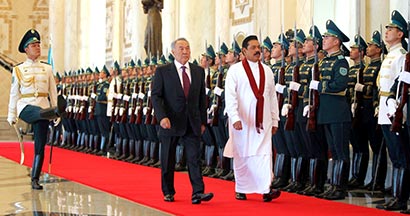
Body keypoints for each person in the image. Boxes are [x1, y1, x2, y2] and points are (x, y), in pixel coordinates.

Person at [151, 37, 214, 204]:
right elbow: (156, 96)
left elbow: (202, 99)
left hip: (192, 122)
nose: (185, 51)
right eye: (181, 48)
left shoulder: (198, 71)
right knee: (168, 158)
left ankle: (198, 192)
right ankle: (168, 191)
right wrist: (162, 116)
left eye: (187, 48)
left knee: (194, 158)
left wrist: (202, 121)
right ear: (173, 52)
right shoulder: (163, 71)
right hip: (170, 122)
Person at [224, 35, 281, 202]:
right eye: (253, 48)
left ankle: (265, 189)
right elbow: (231, 96)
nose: (258, 51)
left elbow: (272, 98)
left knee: (264, 154)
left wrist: (275, 119)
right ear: (244, 50)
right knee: (243, 154)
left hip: (263, 121)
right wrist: (234, 117)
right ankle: (241, 188)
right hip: (242, 121)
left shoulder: (268, 70)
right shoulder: (235, 70)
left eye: (259, 48)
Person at [7, 29, 66, 190]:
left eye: (38, 44)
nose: (37, 47)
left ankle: (35, 178)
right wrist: (11, 114)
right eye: (33, 45)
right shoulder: (18, 69)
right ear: (26, 49)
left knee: (40, 146)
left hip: (43, 108)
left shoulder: (47, 69)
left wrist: (56, 111)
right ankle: (51, 112)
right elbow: (14, 93)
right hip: (25, 107)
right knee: (39, 113)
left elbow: (53, 92)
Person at [309, 20, 351, 200]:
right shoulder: (325, 61)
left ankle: (340, 187)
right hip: (325, 112)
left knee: (341, 151)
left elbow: (340, 84)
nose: (324, 39)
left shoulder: (341, 62)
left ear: (336, 41)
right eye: (324, 37)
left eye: (327, 37)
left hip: (337, 111)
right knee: (333, 150)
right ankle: (333, 185)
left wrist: (319, 86)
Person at [375, 10, 410, 211]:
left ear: (401, 34)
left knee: (401, 154)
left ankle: (401, 196)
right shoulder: (390, 55)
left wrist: (397, 109)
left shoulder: (401, 56)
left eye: (392, 29)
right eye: (387, 28)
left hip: (396, 111)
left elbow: (401, 88)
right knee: (394, 156)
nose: (387, 31)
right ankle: (396, 195)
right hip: (385, 109)